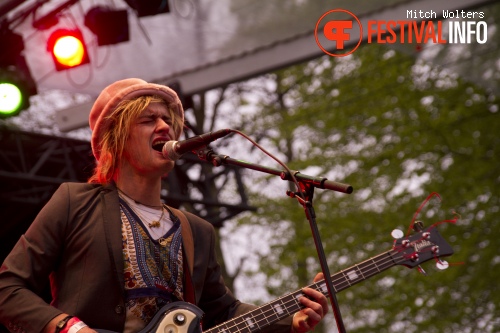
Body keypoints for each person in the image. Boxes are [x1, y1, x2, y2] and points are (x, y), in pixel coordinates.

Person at [0, 78, 328, 333]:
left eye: (166, 119)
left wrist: (290, 318)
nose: (164, 126)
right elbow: (8, 287)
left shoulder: (197, 231)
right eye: (148, 119)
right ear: (116, 138)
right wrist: (69, 327)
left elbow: (223, 311)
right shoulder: (74, 202)